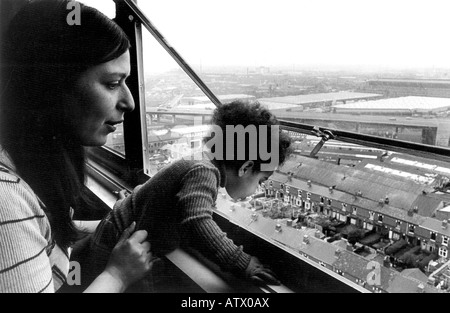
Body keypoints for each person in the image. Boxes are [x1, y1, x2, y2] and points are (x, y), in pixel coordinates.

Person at [0, 0, 153, 293]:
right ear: (52, 85)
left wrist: (122, 222)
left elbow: (44, 235)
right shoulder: (5, 202)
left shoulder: (28, 167)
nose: (130, 102)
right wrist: (117, 277)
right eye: (111, 83)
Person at [88, 100, 293, 290]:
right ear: (246, 167)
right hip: (117, 246)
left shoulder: (198, 164)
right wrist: (243, 263)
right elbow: (198, 222)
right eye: (261, 181)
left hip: (116, 238)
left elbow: (159, 197)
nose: (258, 190)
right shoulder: (205, 172)